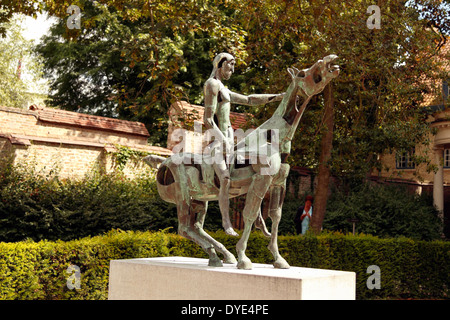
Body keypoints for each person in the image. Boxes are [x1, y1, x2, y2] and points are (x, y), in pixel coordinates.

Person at [203, 52, 284, 236]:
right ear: (220, 64)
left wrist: (278, 97)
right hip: (217, 143)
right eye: (230, 65)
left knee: (255, 172)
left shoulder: (224, 89)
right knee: (225, 177)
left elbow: (249, 100)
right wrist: (223, 140)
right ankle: (226, 222)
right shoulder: (212, 84)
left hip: (232, 144)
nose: (232, 69)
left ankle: (257, 219)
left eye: (233, 66)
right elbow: (208, 119)